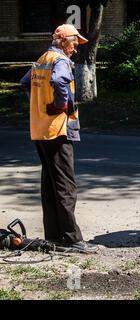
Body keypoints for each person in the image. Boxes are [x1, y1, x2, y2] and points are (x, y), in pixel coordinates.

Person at [20, 24, 98, 253]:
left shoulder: (43, 58)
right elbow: (60, 82)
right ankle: (72, 239)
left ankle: (54, 236)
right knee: (65, 184)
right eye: (74, 43)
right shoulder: (60, 61)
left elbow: (25, 83)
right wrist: (60, 105)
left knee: (50, 183)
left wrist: (39, 107)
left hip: (40, 129)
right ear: (64, 41)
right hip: (57, 129)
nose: (75, 48)